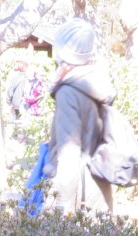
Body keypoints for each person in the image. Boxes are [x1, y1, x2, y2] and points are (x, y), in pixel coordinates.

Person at [44, 18, 114, 213]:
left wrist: (61, 210)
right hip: (99, 188)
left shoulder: (69, 93)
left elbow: (69, 154)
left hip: (78, 196)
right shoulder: (96, 83)